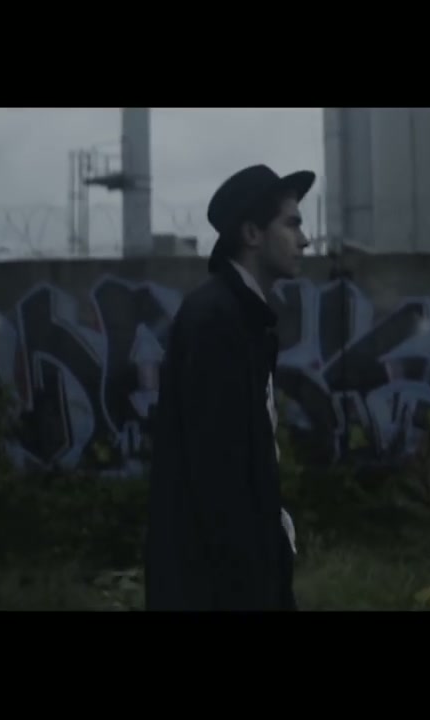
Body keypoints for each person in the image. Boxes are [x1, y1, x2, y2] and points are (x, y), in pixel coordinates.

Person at [145, 164, 312, 611]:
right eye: (292, 224)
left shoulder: (244, 317)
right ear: (252, 234)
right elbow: (218, 476)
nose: (305, 239)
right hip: (217, 586)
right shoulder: (217, 320)